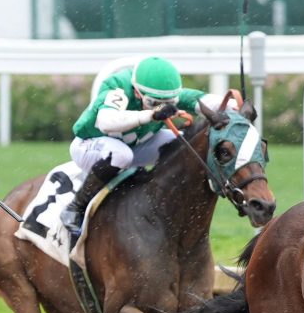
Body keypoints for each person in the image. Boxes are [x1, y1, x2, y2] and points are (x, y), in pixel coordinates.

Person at [60, 56, 207, 234]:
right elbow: (107, 122)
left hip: (133, 146)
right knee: (122, 155)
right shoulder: (117, 87)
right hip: (90, 145)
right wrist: (151, 115)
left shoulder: (164, 92)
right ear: (137, 92)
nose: (161, 106)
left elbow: (204, 100)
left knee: (183, 144)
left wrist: (233, 106)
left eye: (168, 103)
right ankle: (75, 207)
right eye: (153, 103)